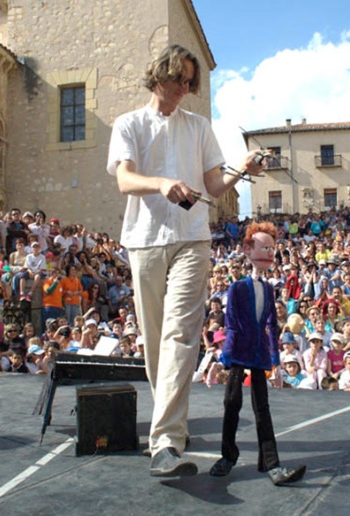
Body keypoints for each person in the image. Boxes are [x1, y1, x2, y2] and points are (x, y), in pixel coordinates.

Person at [107, 44, 266, 478]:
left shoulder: (198, 126)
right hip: (142, 241)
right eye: (179, 78)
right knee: (155, 341)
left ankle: (165, 442)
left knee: (180, 335)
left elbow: (214, 185)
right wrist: (161, 183)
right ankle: (169, 427)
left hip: (192, 239)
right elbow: (124, 179)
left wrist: (241, 168)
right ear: (159, 73)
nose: (184, 87)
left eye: (189, 81)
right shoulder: (129, 124)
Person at [206, 221, 306, 486]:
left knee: (262, 407)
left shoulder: (270, 289)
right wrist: (226, 357)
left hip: (259, 353)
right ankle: (228, 456)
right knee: (232, 403)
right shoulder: (238, 287)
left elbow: (272, 325)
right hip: (239, 351)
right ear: (249, 250)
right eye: (263, 247)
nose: (269, 253)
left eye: (271, 249)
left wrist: (275, 360)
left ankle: (271, 462)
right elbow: (232, 322)